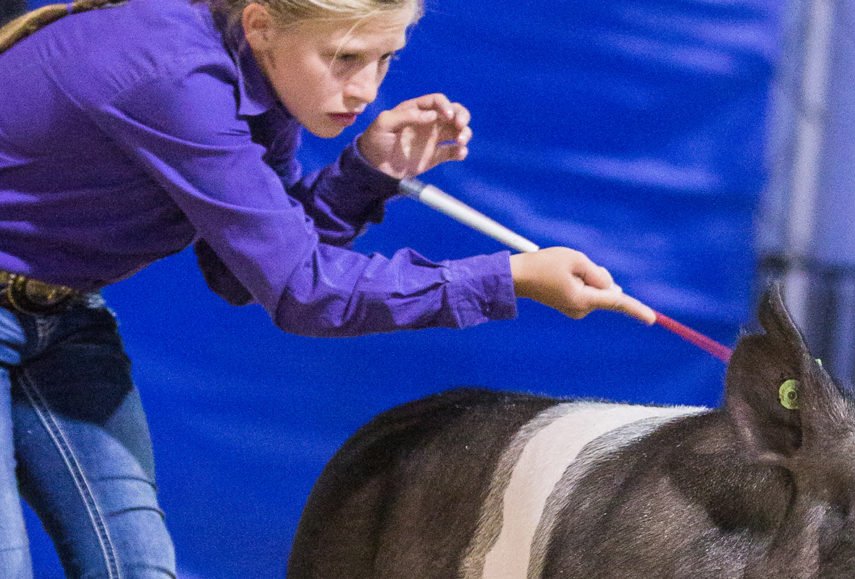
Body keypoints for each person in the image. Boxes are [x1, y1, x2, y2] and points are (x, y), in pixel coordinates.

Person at [0, 0, 654, 575]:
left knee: (137, 564)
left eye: (385, 58)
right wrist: (509, 277)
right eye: (344, 58)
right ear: (260, 23)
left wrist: (366, 172)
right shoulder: (176, 74)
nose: (366, 89)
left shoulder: (258, 68)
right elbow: (303, 289)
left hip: (61, 318)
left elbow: (239, 273)